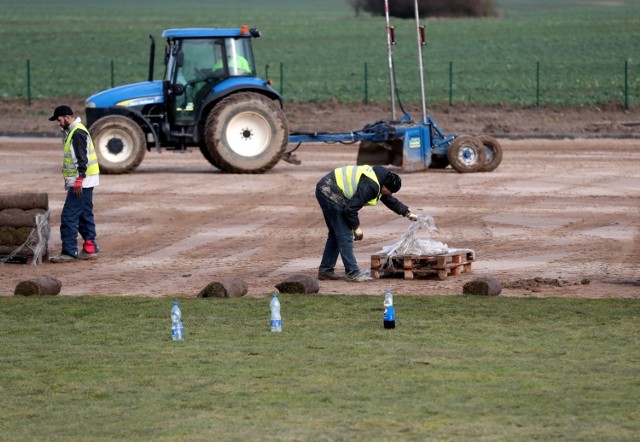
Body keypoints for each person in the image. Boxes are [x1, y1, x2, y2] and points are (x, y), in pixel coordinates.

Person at [315, 165, 419, 282]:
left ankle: (326, 270)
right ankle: (352, 273)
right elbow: (350, 209)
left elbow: (388, 199)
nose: (390, 194)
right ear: (384, 186)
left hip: (328, 186)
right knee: (345, 235)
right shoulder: (370, 186)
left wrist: (407, 213)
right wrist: (356, 228)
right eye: (389, 192)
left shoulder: (382, 178)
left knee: (336, 234)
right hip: (329, 191)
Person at [48, 105, 100, 263]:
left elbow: (81, 158)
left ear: (67, 117)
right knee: (85, 215)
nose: (58, 123)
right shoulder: (76, 130)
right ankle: (90, 248)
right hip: (87, 181)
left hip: (81, 183)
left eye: (58, 119)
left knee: (69, 216)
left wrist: (79, 179)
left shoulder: (76, 132)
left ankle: (69, 252)